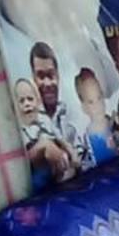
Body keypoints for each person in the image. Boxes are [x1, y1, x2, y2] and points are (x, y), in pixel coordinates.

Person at [29, 41, 89, 171]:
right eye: (40, 76)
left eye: (51, 75)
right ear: (33, 78)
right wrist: (42, 147)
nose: (47, 83)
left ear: (58, 75)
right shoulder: (29, 117)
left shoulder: (72, 113)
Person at [13, 76, 75, 187]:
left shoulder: (45, 122)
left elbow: (59, 139)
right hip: (38, 178)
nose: (27, 104)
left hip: (57, 171)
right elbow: (25, 160)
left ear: (38, 101)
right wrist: (43, 146)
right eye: (21, 101)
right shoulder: (20, 133)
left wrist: (69, 150)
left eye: (30, 99)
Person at [74, 69, 119, 165]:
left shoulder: (113, 123)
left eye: (99, 97)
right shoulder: (87, 138)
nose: (98, 105)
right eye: (91, 102)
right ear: (84, 107)